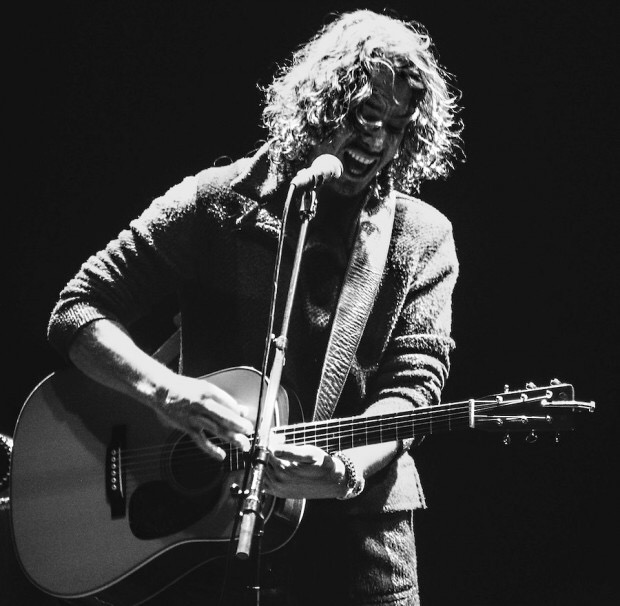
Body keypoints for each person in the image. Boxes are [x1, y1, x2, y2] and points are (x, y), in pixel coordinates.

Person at [47, 8, 463, 606]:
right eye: (366, 115)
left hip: (361, 547)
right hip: (207, 538)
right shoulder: (217, 201)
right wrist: (165, 392)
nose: (378, 142)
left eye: (398, 128)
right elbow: (77, 309)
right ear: (322, 102)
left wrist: (346, 470)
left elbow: (414, 389)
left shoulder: (422, 237)